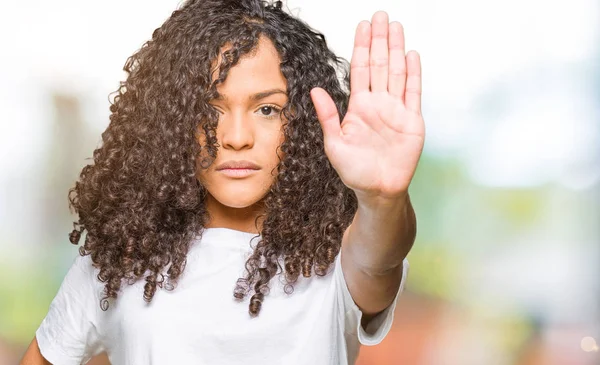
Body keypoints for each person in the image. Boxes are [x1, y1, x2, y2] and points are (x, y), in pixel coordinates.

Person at [20, 0, 424, 364]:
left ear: (300, 120)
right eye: (209, 110)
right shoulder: (120, 256)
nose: (234, 136)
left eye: (267, 109)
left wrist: (383, 199)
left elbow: (379, 261)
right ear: (173, 122)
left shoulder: (336, 253)